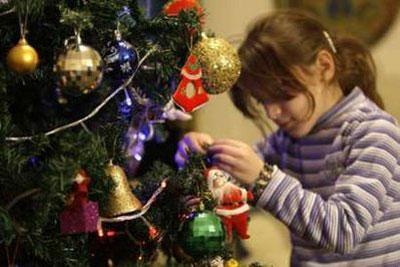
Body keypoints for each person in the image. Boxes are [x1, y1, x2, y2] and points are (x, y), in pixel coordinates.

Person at [174, 9, 400, 266]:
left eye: (284, 95)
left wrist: (263, 179)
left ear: (324, 67)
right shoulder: (288, 139)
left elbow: (345, 230)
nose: (272, 112)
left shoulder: (375, 131)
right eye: (264, 101)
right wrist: (204, 157)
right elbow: (233, 176)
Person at [205, 167, 253, 241]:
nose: (219, 179)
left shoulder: (230, 186)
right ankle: (228, 236)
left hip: (237, 208)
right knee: (226, 226)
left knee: (242, 222)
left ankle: (243, 233)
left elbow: (240, 192)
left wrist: (247, 195)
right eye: (215, 178)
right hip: (225, 211)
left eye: (220, 176)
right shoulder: (215, 194)